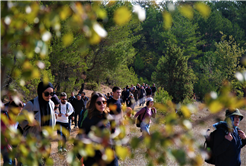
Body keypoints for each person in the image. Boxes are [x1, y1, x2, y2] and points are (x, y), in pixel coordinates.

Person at [79, 93, 119, 166]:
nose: (102, 104)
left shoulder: (108, 117)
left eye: (104, 102)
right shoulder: (89, 120)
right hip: (95, 158)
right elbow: (80, 137)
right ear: (94, 104)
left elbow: (113, 133)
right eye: (99, 103)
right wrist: (81, 157)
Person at [0, 100, 23, 166]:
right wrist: (8, 146)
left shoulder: (17, 117)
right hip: (4, 143)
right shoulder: (5, 117)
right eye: (18, 110)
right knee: (9, 162)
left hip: (13, 142)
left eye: (20, 110)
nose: (19, 112)